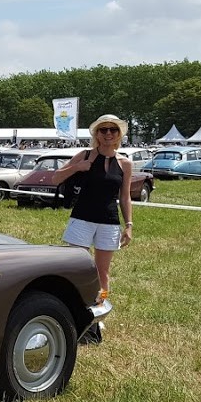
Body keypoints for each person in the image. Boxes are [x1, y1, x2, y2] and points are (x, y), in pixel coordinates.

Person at [49, 114, 133, 303]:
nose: (108, 133)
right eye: (104, 129)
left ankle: (100, 305)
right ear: (97, 134)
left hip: (109, 222)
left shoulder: (125, 163)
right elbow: (55, 178)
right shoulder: (85, 155)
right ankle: (76, 304)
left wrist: (129, 224)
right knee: (78, 267)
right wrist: (77, 167)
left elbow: (125, 196)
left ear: (119, 135)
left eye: (113, 130)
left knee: (103, 272)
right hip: (82, 218)